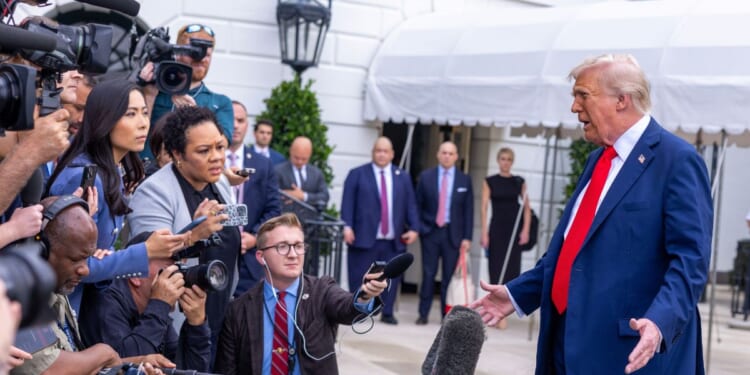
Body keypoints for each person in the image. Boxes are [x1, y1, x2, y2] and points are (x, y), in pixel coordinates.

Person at [470, 54, 712, 375]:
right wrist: (516, 294)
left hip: (630, 352)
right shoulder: (597, 161)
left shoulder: (677, 160)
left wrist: (660, 321)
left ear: (621, 100)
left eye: (583, 95)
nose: (574, 107)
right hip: (565, 344)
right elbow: (572, 253)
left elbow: (690, 262)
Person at [47, 79, 186, 313]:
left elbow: (97, 260)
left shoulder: (113, 172)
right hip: (58, 315)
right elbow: (73, 267)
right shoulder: (83, 177)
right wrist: (146, 251)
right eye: (130, 114)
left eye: (144, 113)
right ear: (105, 119)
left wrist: (109, 256)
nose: (143, 123)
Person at [11, 195, 170, 375]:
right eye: (75, 259)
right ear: (41, 251)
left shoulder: (55, 287)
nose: (85, 270)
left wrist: (132, 364)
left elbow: (74, 362)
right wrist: (104, 353)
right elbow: (50, 370)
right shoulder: (17, 295)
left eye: (87, 258)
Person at [127, 105, 240, 359]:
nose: (216, 157)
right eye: (203, 151)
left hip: (220, 318)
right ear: (177, 154)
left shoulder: (220, 182)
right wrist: (194, 233)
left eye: (220, 147)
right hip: (176, 324)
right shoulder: (153, 192)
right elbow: (153, 266)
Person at [214, 213, 387, 374]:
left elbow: (347, 307)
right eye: (282, 247)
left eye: (298, 246)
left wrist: (365, 295)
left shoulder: (322, 290)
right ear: (261, 257)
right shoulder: (238, 310)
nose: (293, 254)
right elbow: (226, 369)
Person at [79, 257, 211, 372]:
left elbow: (187, 370)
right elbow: (128, 368)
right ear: (136, 276)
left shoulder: (151, 308)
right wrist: (160, 304)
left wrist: (197, 325)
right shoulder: (106, 304)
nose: (178, 279)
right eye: (168, 271)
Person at [341, 136, 420, 325]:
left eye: (386, 151)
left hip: (393, 238)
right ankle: (357, 310)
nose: (382, 154)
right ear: (373, 153)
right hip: (364, 236)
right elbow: (347, 203)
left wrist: (415, 228)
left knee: (391, 277)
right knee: (360, 275)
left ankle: (387, 312)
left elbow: (410, 205)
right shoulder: (357, 174)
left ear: (392, 154)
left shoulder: (403, 176)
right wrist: (347, 226)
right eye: (378, 150)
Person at [143, 23, 234, 160]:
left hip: (187, 178)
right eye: (194, 52)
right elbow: (134, 132)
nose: (201, 58)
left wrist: (194, 115)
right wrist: (149, 94)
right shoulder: (153, 90)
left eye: (207, 54)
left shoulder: (220, 102)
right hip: (145, 173)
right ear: (178, 52)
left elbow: (221, 145)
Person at [226, 100, 282, 295]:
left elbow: (274, 209)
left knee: (248, 321)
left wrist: (255, 237)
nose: (235, 125)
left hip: (250, 260)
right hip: (214, 256)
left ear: (247, 125)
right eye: (231, 119)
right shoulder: (208, 162)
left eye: (240, 120)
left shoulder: (263, 165)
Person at [414, 141, 473, 324]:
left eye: (451, 153)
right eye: (444, 152)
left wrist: (467, 237)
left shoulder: (464, 180)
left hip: (453, 235)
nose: (447, 156)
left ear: (456, 157)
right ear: (438, 155)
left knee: (449, 277)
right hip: (431, 233)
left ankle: (446, 316)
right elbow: (417, 205)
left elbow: (468, 210)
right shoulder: (426, 177)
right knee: (428, 274)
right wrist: (421, 228)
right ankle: (423, 314)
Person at [480, 147, 531, 287]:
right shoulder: (490, 181)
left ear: (512, 162)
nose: (506, 162)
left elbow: (527, 208)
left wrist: (525, 230)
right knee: (495, 267)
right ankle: (494, 302)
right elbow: (484, 208)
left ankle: (509, 303)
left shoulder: (519, 181)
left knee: (513, 270)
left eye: (509, 159)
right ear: (498, 161)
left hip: (514, 229)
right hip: (497, 229)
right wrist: (484, 233)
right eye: (503, 159)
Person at [275, 136, 330, 209]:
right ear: (291, 151)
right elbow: (271, 195)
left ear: (310, 155)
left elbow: (325, 196)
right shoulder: (278, 171)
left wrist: (304, 196)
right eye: (296, 157)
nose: (299, 162)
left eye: (304, 159)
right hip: (286, 218)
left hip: (310, 218)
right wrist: (287, 195)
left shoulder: (316, 173)